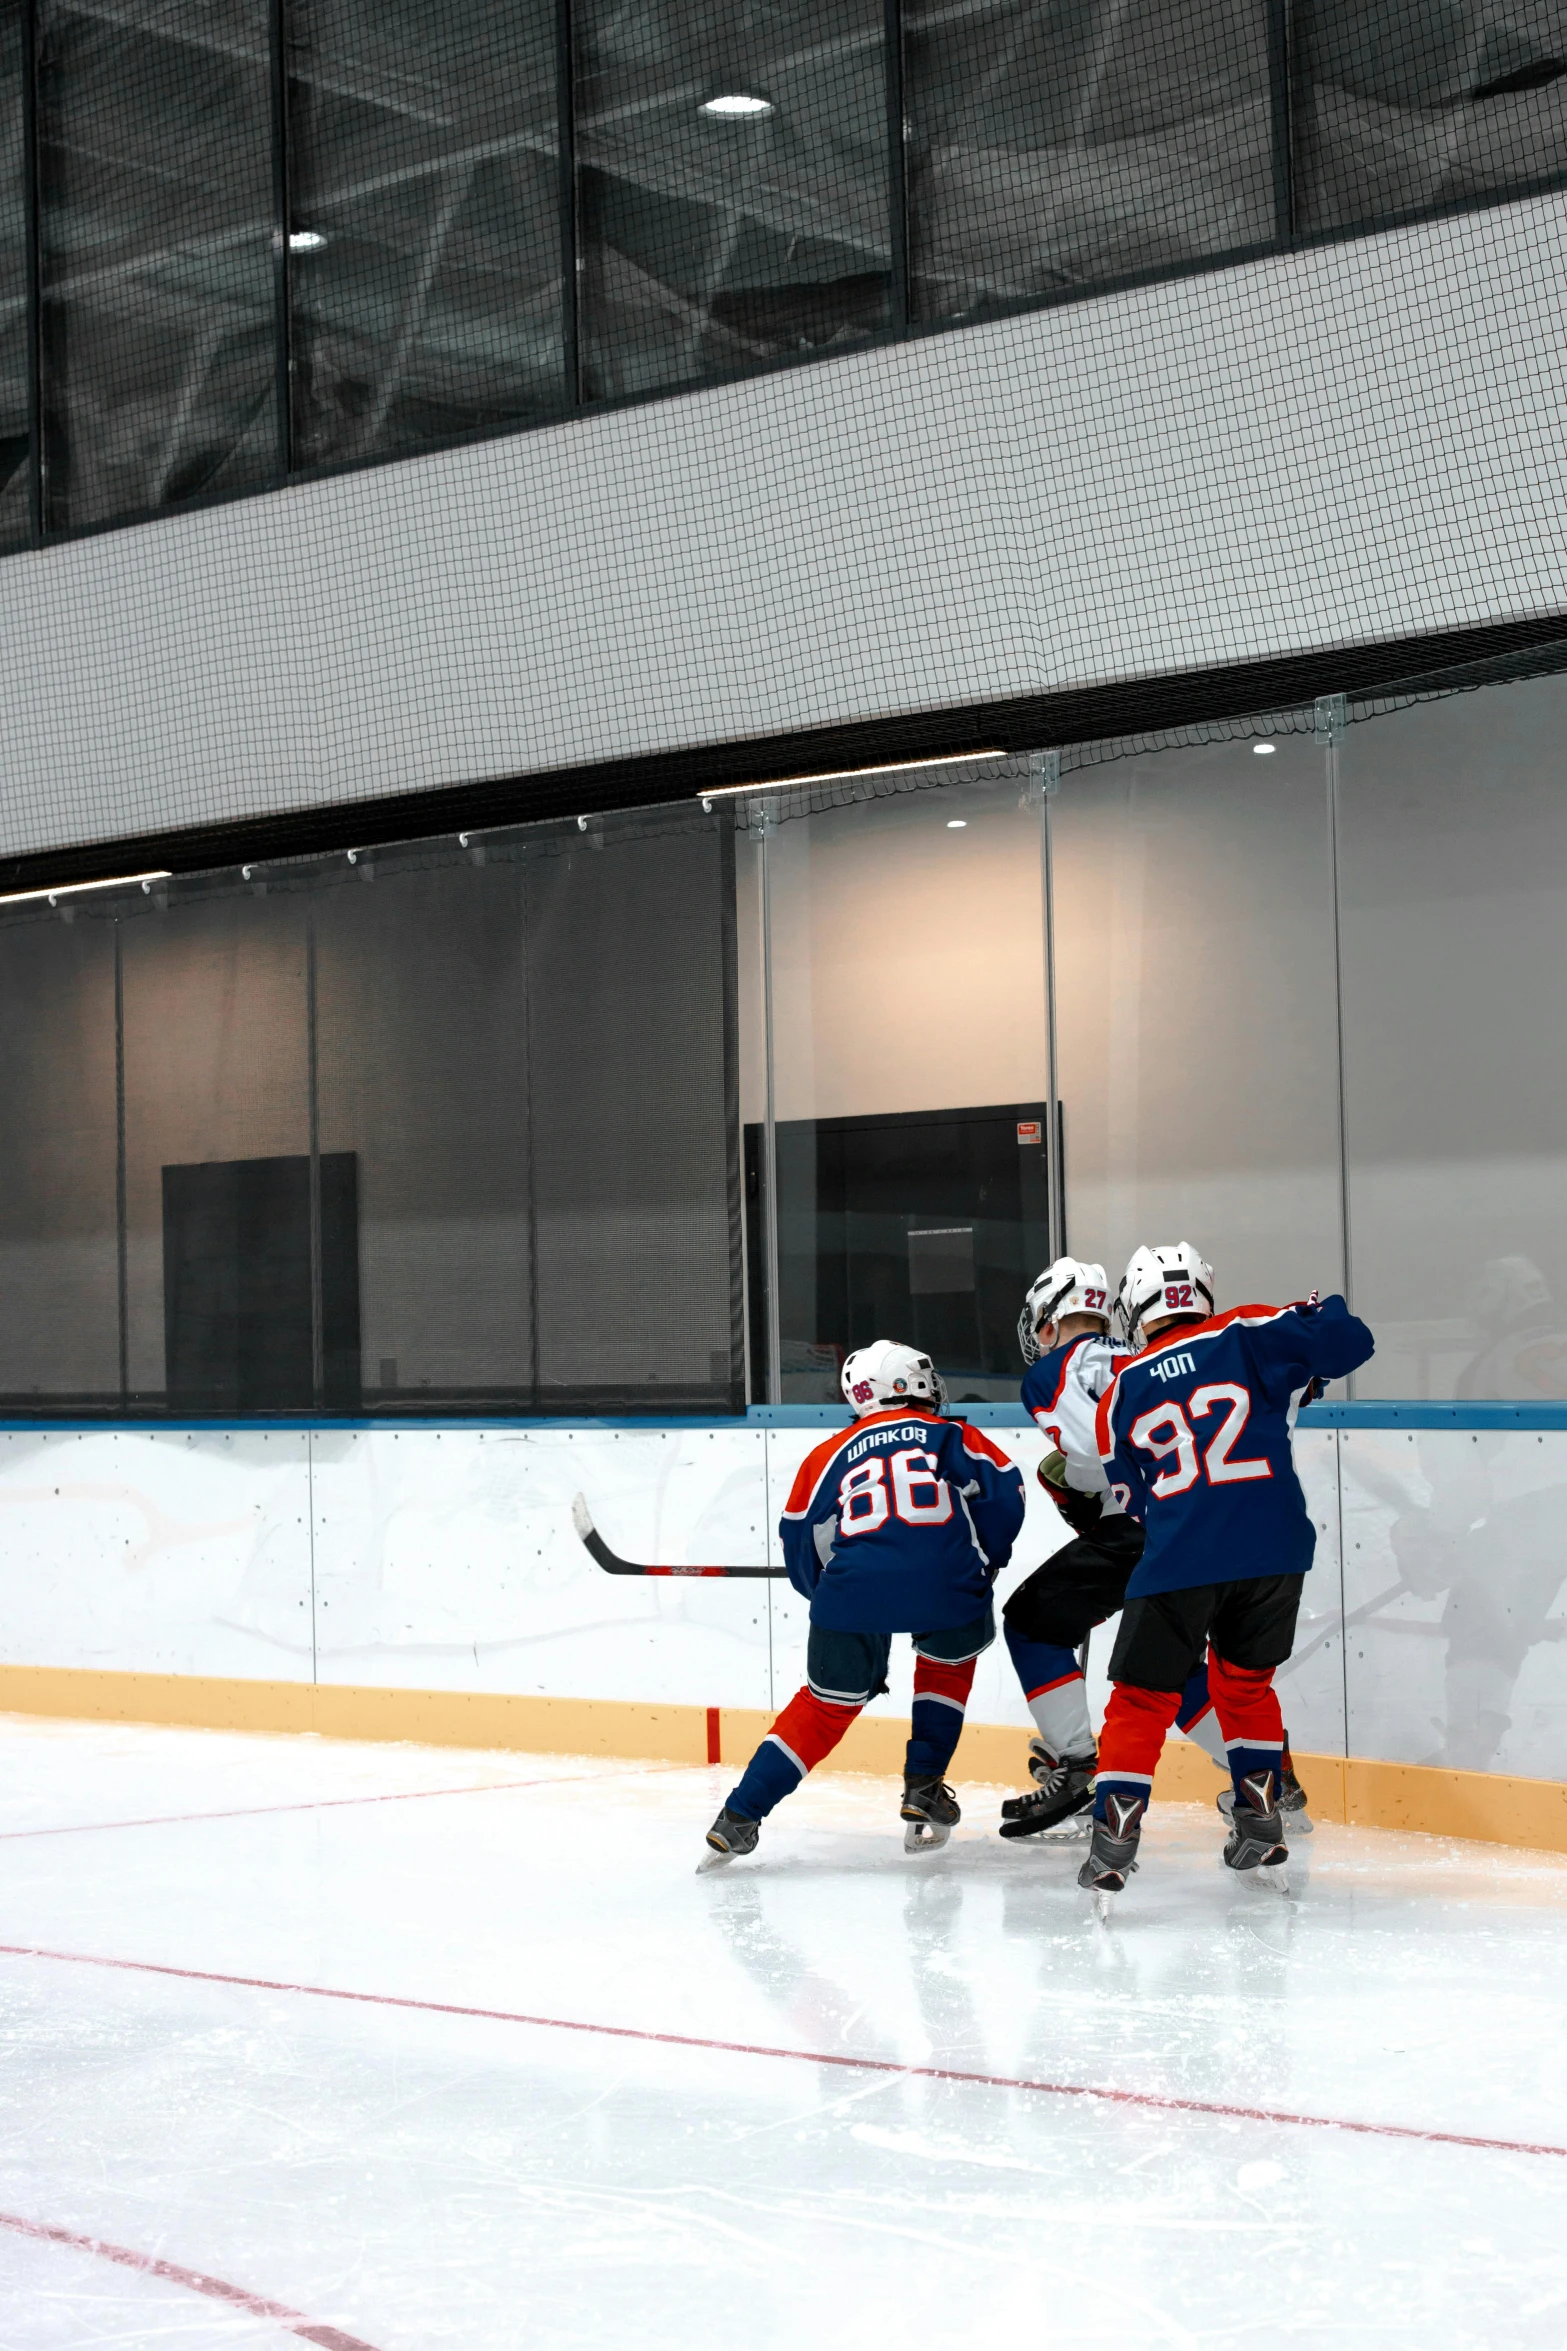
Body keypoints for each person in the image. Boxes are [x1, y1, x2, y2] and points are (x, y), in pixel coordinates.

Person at [1080, 1244, 1374, 1905]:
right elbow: (1351, 1341)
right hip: (1275, 1551)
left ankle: (1114, 1837)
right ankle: (1258, 1820)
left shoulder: (1118, 1392)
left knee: (1141, 1698)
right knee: (1242, 1686)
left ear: (1136, 1307)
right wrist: (1315, 1311)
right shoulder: (1248, 1329)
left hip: (1181, 1552)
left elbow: (1132, 1501)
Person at [702, 1340, 1026, 1866]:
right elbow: (1005, 1493)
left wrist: (829, 1596)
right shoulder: (953, 1434)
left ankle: (738, 1816)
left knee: (825, 1706)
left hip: (852, 1592)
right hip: (949, 1584)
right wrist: (987, 1562)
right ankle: (923, 1789)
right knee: (945, 1668)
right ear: (906, 1386)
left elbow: (800, 1540)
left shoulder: (826, 1455)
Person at [997, 1255, 1229, 1841]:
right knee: (1166, 1664)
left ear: (1049, 1321)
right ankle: (1267, 1774)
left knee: (1031, 1623)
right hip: (1202, 1525)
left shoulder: (1054, 1371)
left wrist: (1070, 1484)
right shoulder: (1148, 1357)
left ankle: (1078, 1766)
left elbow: (1102, 1452)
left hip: (1137, 1527)